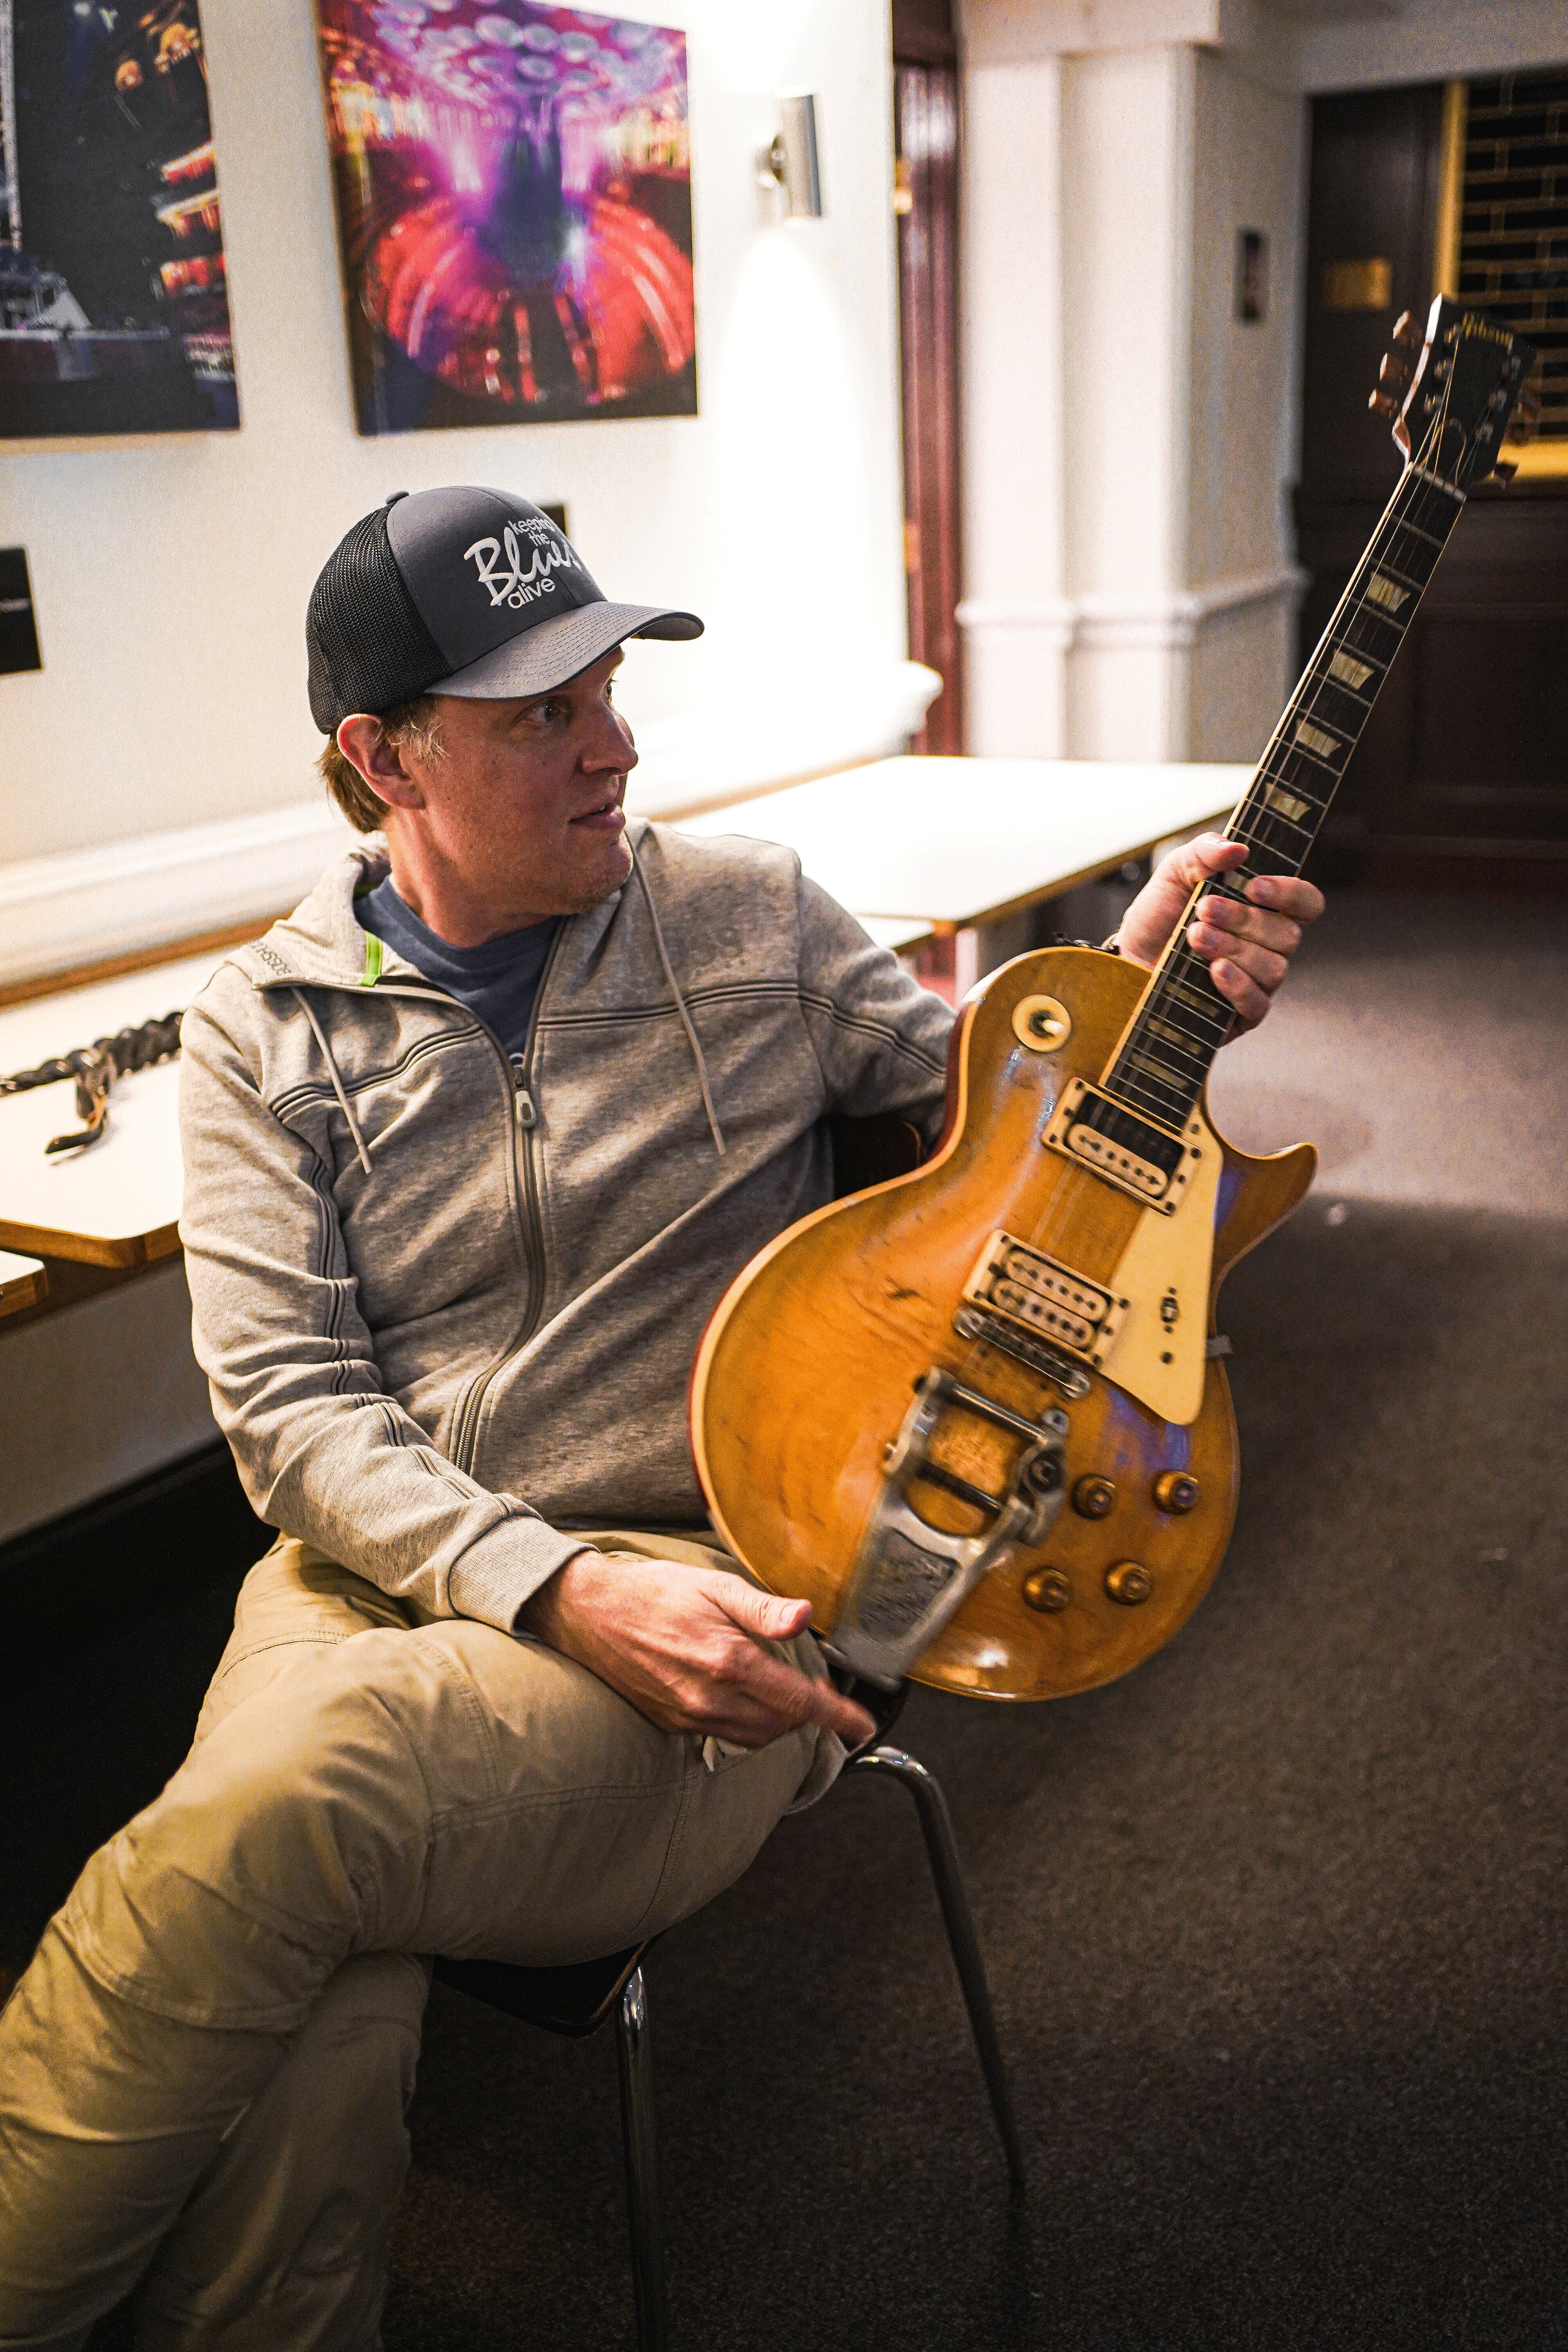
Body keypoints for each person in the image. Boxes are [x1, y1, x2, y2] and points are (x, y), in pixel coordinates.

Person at [0, 488, 1324, 2349]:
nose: (614, 741)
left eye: (610, 687)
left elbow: (1010, 1152)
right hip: (373, 1585)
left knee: (294, 1805)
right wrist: (540, 1585)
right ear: (383, 760)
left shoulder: (756, 922)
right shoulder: (263, 1030)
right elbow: (292, 1417)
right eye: (540, 712)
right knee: (315, 1999)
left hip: (718, 1608)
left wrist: (1148, 967)